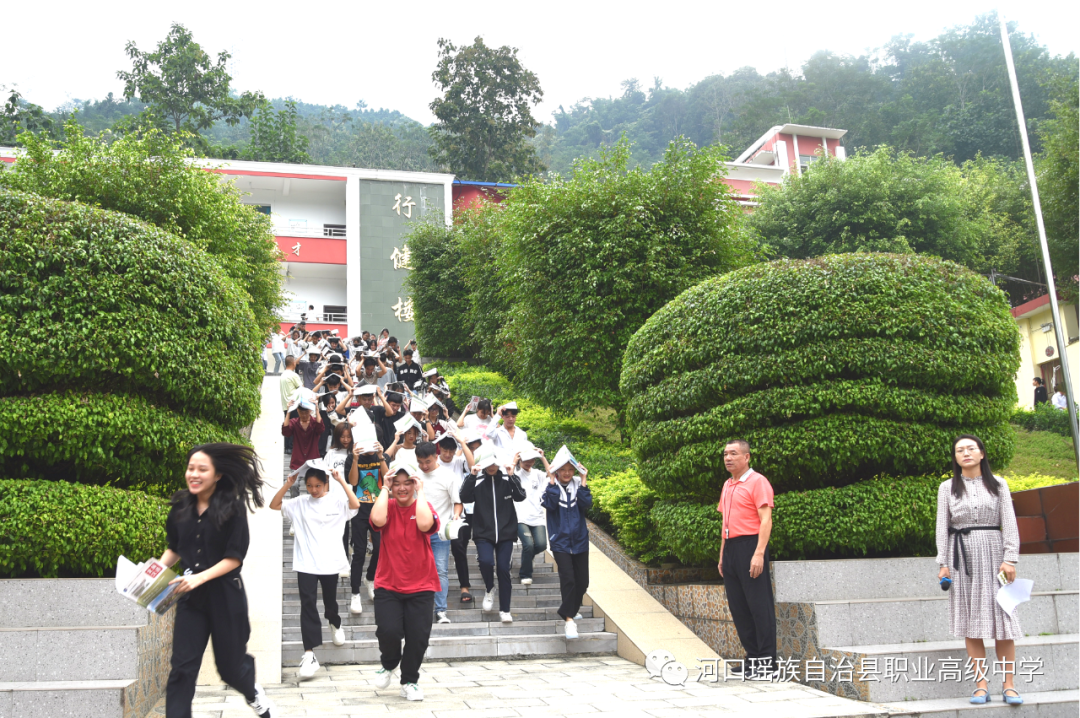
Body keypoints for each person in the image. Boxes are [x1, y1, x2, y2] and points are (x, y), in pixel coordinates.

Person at [160, 443, 275, 718]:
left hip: (226, 597)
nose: (194, 474)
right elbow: (175, 547)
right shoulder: (180, 506)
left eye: (202, 469)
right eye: (191, 468)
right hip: (191, 600)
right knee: (182, 669)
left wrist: (200, 577)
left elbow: (234, 558)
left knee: (230, 668)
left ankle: (252, 692)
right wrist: (152, 571)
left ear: (218, 475)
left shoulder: (233, 508)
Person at [936, 435, 1023, 705]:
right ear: (955, 457)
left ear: (982, 453)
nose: (966, 453)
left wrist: (1010, 558)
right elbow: (942, 527)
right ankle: (981, 686)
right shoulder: (947, 487)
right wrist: (943, 563)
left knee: (1004, 622)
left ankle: (1009, 685)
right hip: (960, 556)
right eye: (959, 450)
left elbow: (1008, 521)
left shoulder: (999, 484)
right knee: (971, 623)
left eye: (971, 448)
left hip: (995, 554)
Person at [270, 460, 359, 679]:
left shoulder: (337, 501)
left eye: (317, 486)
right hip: (306, 563)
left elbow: (355, 505)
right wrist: (286, 484)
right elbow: (274, 505)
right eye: (309, 486)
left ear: (326, 483)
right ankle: (309, 654)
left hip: (329, 563)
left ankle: (334, 622)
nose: (313, 490)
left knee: (330, 604)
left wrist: (341, 481)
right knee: (307, 605)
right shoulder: (299, 502)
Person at [369, 459, 441, 702]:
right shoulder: (386, 505)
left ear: (414, 484)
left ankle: (409, 680)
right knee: (388, 631)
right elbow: (377, 521)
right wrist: (384, 488)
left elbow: (424, 523)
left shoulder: (424, 505)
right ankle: (389, 664)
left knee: (417, 637)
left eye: (406, 483)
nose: (402, 488)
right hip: (388, 583)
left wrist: (421, 492)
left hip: (421, 585)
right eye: (396, 483)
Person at [716, 439, 777, 680]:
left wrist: (759, 553)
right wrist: (722, 556)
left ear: (747, 457)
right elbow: (725, 524)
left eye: (733, 453)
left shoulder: (757, 482)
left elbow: (766, 520)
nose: (728, 458)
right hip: (731, 548)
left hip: (750, 546)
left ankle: (767, 663)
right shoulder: (728, 485)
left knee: (758, 606)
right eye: (725, 454)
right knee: (739, 608)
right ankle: (752, 658)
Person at [459, 447, 525, 622]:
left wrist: (512, 476)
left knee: (504, 569)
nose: (492, 467)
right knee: (486, 562)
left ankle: (505, 610)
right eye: (488, 464)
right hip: (483, 532)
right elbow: (464, 497)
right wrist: (472, 475)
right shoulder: (477, 479)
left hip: (506, 533)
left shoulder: (507, 478)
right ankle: (489, 588)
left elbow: (520, 496)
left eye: (494, 463)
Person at [541, 446, 590, 639]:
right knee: (568, 579)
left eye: (570, 469)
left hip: (580, 541)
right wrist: (552, 482)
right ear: (557, 470)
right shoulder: (549, 485)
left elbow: (586, 505)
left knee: (583, 582)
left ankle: (570, 608)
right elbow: (550, 505)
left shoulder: (579, 484)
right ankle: (569, 620)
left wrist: (584, 480)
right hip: (559, 542)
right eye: (563, 469)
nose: (567, 473)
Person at [415, 441, 463, 624]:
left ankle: (441, 610)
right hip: (417, 531)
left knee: (440, 570)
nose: (424, 466)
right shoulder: (415, 475)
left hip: (440, 531)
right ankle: (418, 608)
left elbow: (457, 502)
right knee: (417, 570)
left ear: (436, 457)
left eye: (427, 461)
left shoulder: (447, 476)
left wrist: (456, 517)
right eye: (420, 462)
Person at [348, 436, 387, 611]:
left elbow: (388, 480)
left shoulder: (380, 456)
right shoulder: (353, 457)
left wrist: (381, 456)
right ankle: (355, 594)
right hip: (359, 512)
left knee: (380, 548)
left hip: (378, 510)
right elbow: (354, 482)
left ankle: (370, 578)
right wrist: (355, 459)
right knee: (359, 553)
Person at [444, 432, 478, 604]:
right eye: (445, 450)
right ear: (439, 449)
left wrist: (462, 443)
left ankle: (465, 586)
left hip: (459, 515)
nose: (448, 454)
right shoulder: (433, 463)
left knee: (459, 549)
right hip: (440, 515)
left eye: (451, 450)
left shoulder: (458, 462)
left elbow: (473, 466)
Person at [515, 446, 550, 587]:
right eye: (526, 459)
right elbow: (508, 475)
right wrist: (514, 460)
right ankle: (525, 574)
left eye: (532, 459)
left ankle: (527, 559)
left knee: (541, 545)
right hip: (520, 517)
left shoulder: (538, 474)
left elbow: (551, 474)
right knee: (528, 544)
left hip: (537, 517)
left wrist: (543, 457)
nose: (529, 462)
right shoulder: (516, 474)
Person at [283, 398, 323, 472]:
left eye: (306, 412)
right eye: (301, 412)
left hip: (313, 462)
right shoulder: (294, 422)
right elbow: (286, 432)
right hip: (297, 462)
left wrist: (317, 409)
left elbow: (320, 428)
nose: (304, 415)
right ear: (297, 410)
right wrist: (288, 412)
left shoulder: (314, 422)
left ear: (310, 411)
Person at [280, 357, 303, 455]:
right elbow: (301, 389)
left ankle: (287, 448)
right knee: (295, 426)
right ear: (293, 363)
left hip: (286, 404)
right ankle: (292, 447)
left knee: (288, 425)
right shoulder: (293, 375)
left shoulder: (283, 375)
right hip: (294, 404)